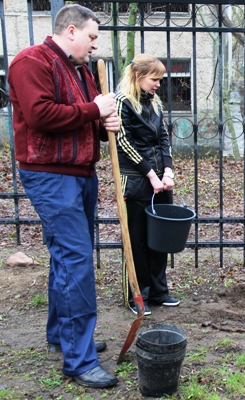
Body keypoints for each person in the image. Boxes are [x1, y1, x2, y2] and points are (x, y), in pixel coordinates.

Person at [8, 4, 120, 388]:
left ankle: (63, 335)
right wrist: (93, 109)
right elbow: (41, 115)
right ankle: (79, 360)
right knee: (76, 261)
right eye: (91, 36)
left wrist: (106, 119)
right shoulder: (31, 62)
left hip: (81, 174)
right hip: (50, 176)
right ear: (71, 31)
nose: (94, 45)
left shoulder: (81, 69)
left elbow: (88, 117)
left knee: (66, 257)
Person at [114, 54, 180, 315]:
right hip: (134, 180)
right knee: (137, 239)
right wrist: (150, 174)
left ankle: (159, 292)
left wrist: (168, 172)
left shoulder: (154, 103)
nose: (158, 85)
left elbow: (163, 138)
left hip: (159, 181)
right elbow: (123, 142)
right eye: (154, 79)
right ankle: (137, 295)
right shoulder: (122, 102)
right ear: (137, 76)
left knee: (159, 237)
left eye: (160, 79)